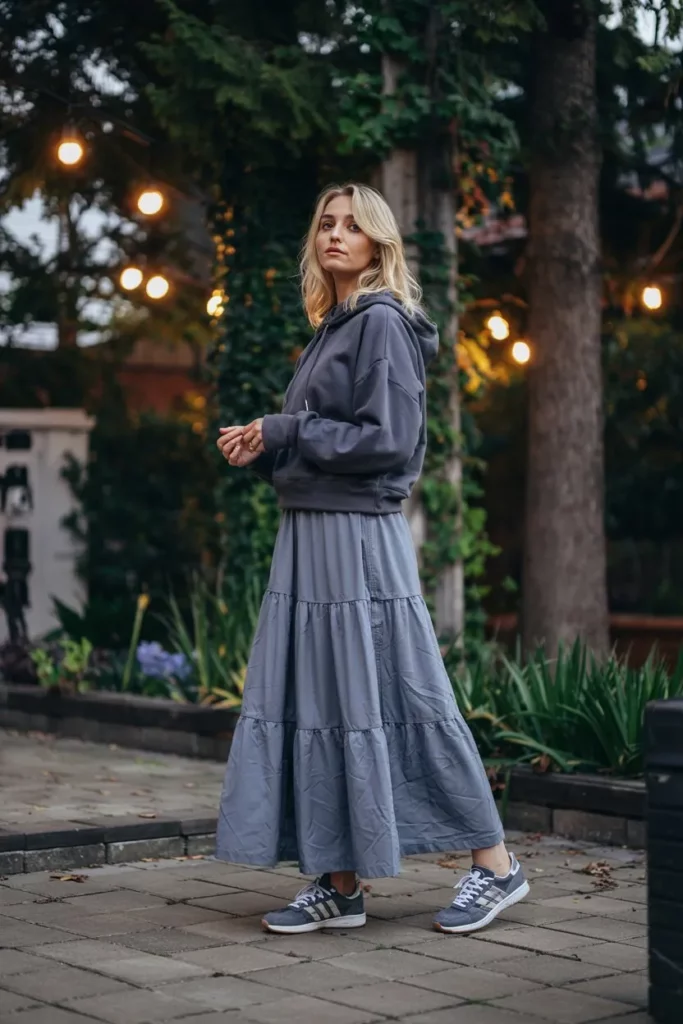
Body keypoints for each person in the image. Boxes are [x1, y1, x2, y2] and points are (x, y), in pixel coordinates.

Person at [216, 182, 529, 936]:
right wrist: (264, 445)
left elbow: (388, 442)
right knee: (325, 702)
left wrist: (287, 430)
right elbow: (327, 438)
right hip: (312, 538)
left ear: (378, 243)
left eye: (352, 226)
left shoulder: (381, 322)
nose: (335, 235)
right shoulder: (335, 325)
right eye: (325, 223)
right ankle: (341, 880)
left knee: (401, 691)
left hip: (357, 542)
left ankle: (496, 866)